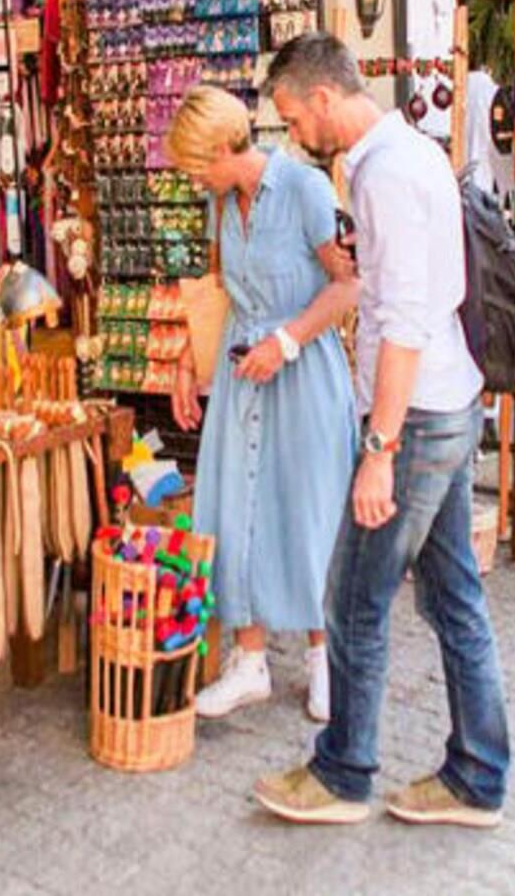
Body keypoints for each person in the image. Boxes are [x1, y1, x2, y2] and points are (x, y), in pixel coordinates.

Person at [250, 32, 509, 829]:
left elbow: (402, 323)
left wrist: (379, 450)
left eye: (295, 118)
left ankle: (344, 772)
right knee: (454, 597)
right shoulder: (406, 153)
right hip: (447, 402)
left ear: (324, 98)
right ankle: (477, 774)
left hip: (417, 418)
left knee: (355, 598)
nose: (295, 134)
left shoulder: (389, 173)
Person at [165, 85, 359, 722]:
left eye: (198, 166)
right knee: (235, 507)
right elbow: (220, 287)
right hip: (240, 372)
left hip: (302, 370)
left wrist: (286, 341)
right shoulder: (223, 202)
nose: (194, 180)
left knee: (310, 509)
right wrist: (187, 360)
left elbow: (348, 286)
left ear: (225, 148)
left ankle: (325, 658)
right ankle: (249, 660)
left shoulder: (306, 190)